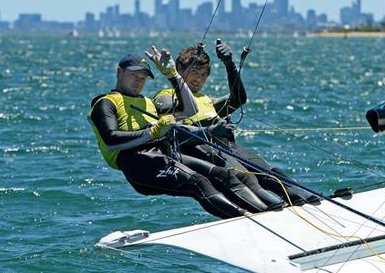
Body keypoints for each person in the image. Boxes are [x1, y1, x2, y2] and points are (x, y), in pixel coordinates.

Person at [88, 47, 274, 218]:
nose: (139, 81)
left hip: (163, 154)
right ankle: (247, 217)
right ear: (119, 72)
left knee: (221, 174)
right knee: (197, 183)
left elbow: (190, 110)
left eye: (143, 77)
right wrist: (152, 132)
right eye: (134, 75)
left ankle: (266, 213)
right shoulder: (106, 102)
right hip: (135, 162)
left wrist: (172, 75)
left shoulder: (147, 102)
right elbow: (111, 140)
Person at [153, 40, 319, 206]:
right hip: (203, 149)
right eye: (195, 72)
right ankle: (275, 207)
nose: (198, 79)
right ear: (179, 70)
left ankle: (307, 197)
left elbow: (239, 99)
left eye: (204, 75)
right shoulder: (166, 95)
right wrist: (209, 128)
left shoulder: (206, 99)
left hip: (229, 147)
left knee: (266, 169)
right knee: (247, 177)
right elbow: (170, 124)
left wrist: (229, 64)